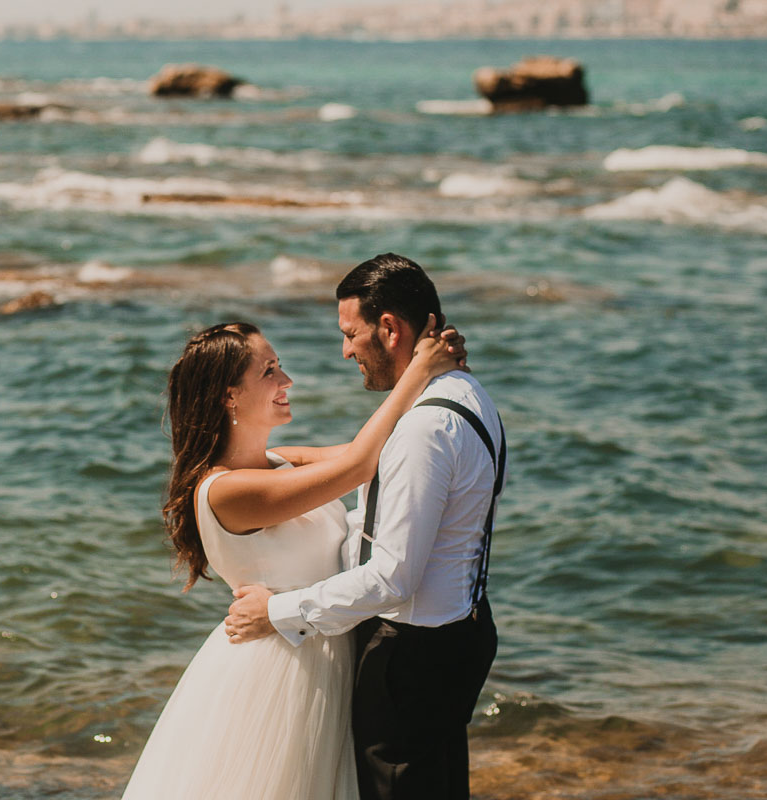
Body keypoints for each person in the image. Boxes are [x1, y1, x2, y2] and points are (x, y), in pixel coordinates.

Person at [120, 312, 467, 800]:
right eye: (269, 372)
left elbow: (388, 451)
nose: (287, 380)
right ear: (228, 395)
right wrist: (418, 371)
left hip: (320, 650)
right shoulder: (227, 490)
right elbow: (359, 463)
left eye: (279, 366)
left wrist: (440, 382)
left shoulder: (284, 461)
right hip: (280, 669)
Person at [225, 253, 506, 800]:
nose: (345, 350)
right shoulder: (471, 397)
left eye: (350, 334)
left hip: (411, 659)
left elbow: (391, 579)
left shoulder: (423, 429)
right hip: (464, 630)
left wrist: (274, 612)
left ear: (389, 329)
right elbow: (372, 478)